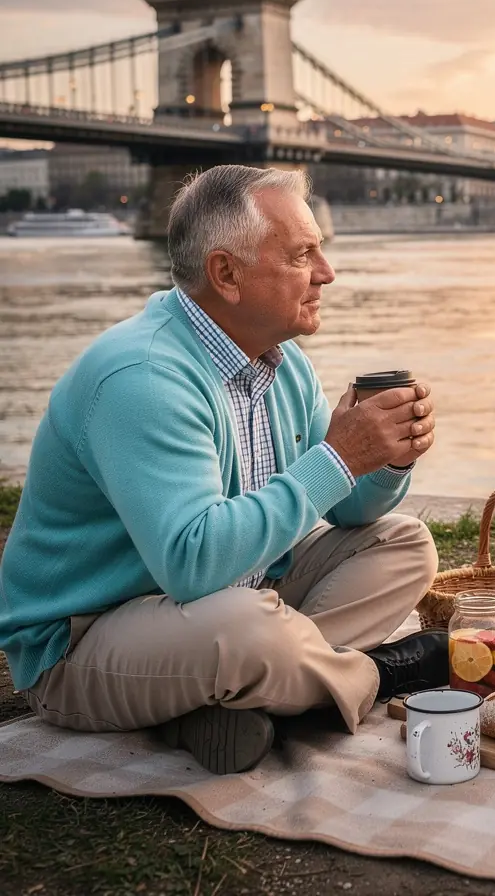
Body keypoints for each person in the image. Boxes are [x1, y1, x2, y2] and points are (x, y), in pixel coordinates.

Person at [0, 165, 447, 774]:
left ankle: (239, 697)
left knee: (404, 545)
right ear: (227, 274)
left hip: (224, 605)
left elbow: (348, 509)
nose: (327, 273)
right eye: (302, 254)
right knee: (245, 630)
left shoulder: (279, 361)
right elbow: (194, 563)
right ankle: (371, 675)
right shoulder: (144, 378)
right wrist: (339, 456)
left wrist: (385, 461)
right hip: (81, 642)